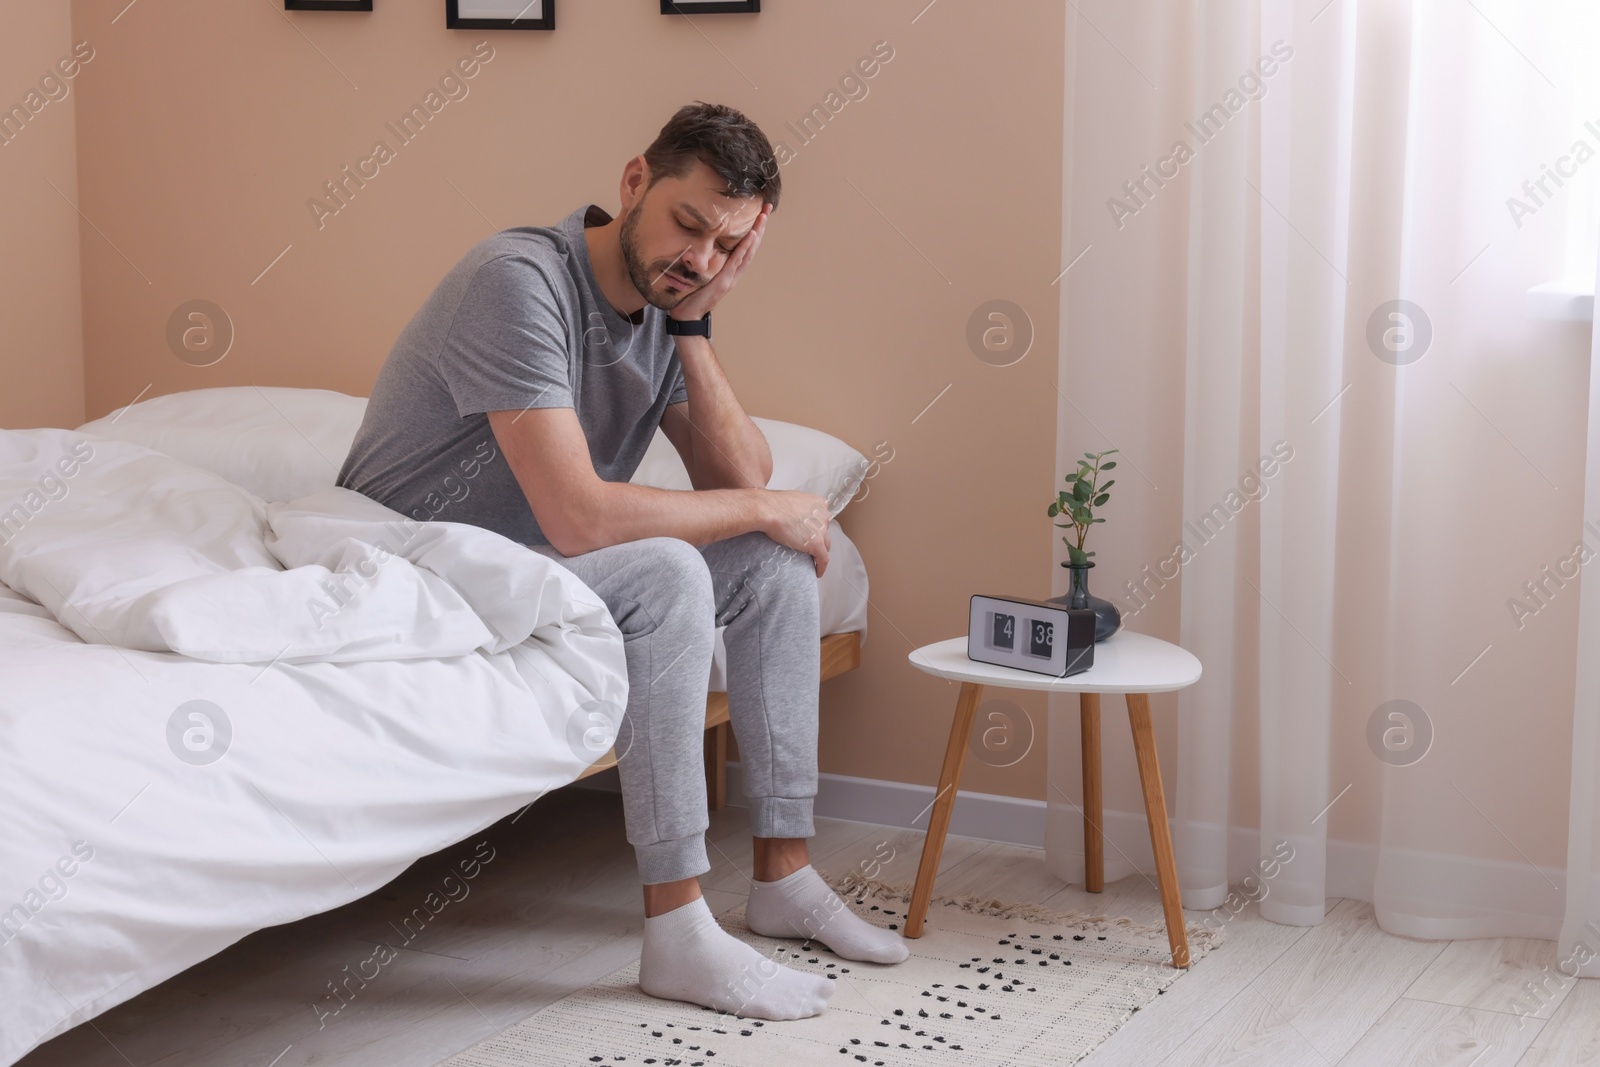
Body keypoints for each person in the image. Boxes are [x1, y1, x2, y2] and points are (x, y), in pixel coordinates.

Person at [337, 101, 907, 1021]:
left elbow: (741, 474)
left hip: (520, 560)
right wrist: (767, 505)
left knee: (767, 556)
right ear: (633, 181)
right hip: (422, 559)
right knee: (673, 567)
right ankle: (677, 926)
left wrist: (697, 323)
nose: (700, 258)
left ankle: (783, 874)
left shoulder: (666, 309)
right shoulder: (517, 280)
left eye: (728, 247)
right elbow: (579, 514)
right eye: (690, 225)